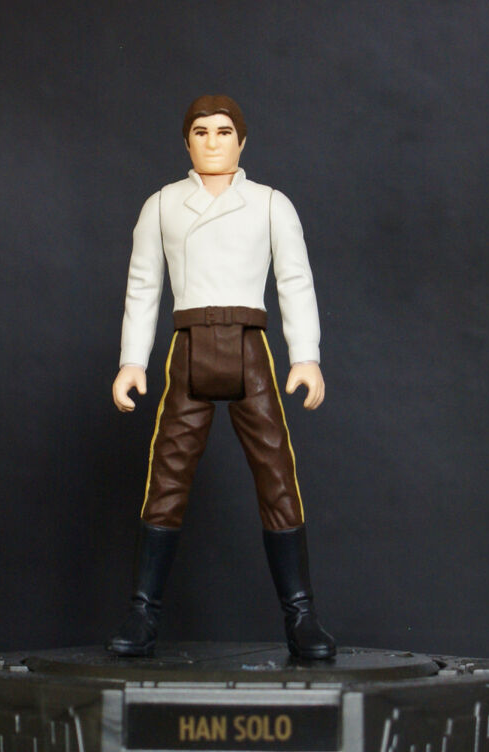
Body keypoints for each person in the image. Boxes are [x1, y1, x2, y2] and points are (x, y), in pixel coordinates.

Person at [107, 95, 335, 660]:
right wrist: (132, 361)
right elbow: (143, 286)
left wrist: (305, 355)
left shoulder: (270, 204)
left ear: (242, 140)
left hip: (249, 346)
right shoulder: (163, 204)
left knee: (277, 475)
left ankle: (302, 615)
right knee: (167, 475)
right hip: (188, 348)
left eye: (224, 131)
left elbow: (295, 281)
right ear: (186, 141)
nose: (212, 141)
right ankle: (142, 612)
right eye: (201, 131)